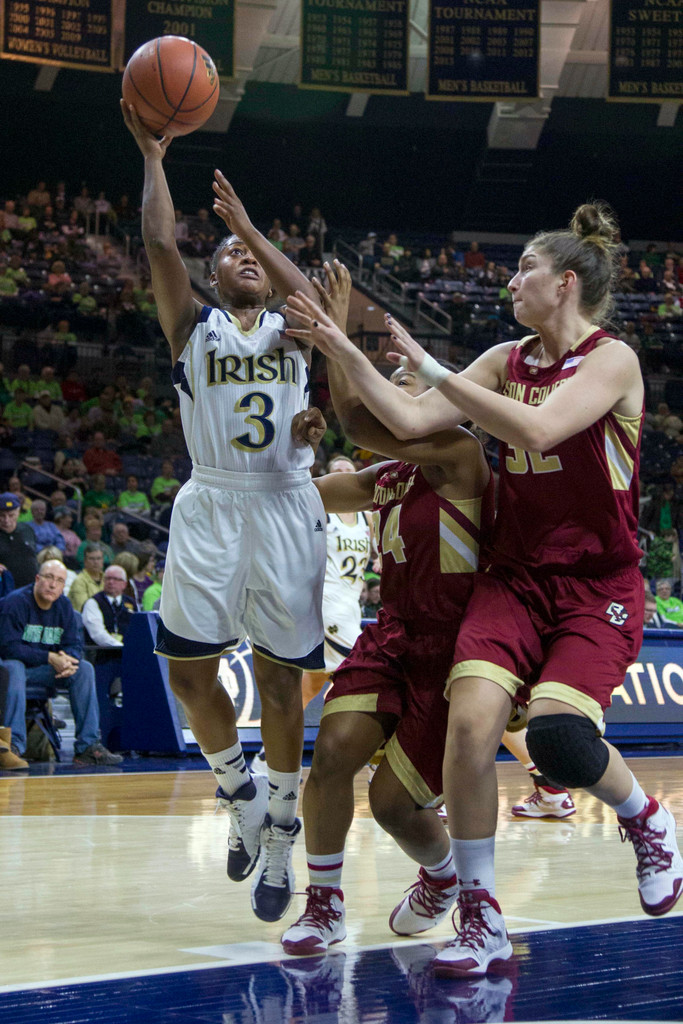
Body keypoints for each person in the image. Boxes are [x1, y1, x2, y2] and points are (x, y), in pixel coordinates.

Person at [287, 203, 683, 975]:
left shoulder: (612, 361)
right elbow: (401, 418)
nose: (511, 281)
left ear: (564, 283)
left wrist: (438, 372)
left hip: (594, 584)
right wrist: (339, 346)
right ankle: (481, 918)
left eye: (523, 268)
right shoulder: (505, 358)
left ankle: (644, 822)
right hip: (513, 578)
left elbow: (537, 432)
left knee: (559, 741)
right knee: (470, 728)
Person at [121, 98, 327, 924]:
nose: (243, 255)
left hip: (282, 507)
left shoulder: (295, 329)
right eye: (232, 251)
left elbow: (310, 290)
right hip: (211, 504)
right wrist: (153, 157)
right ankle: (237, 792)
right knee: (186, 673)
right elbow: (159, 241)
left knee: (281, 684)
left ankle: (280, 829)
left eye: (253, 253)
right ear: (214, 278)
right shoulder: (193, 328)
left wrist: (246, 220)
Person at [279, 268, 493, 955]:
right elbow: (311, 493)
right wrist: (277, 451)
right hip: (393, 634)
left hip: (452, 648)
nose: (389, 398)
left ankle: (442, 875)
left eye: (402, 388)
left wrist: (335, 334)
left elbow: (362, 421)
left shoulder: (457, 455)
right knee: (333, 755)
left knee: (393, 806)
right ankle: (323, 905)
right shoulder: (389, 475)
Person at [251, 452, 373, 775]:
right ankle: (378, 755)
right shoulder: (321, 511)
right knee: (365, 676)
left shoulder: (366, 517)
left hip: (350, 606)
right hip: (326, 604)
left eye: (349, 469)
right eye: (337, 471)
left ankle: (265, 759)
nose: (344, 474)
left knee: (309, 687)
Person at [0, 559, 122, 765]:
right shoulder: (15, 603)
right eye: (48, 578)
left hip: (46, 671)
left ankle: (88, 746)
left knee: (83, 669)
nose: (52, 584)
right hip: (11, 672)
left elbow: (75, 644)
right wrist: (49, 657)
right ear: (37, 579)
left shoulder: (64, 606)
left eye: (59, 581)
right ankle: (14, 745)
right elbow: (8, 648)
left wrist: (68, 660)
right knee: (14, 667)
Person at [81, 565, 136, 648]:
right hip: (102, 653)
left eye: (115, 579)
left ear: (124, 584)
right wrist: (120, 647)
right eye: (108, 578)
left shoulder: (130, 602)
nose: (111, 582)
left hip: (129, 650)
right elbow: (97, 634)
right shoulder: (93, 602)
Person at [0, 492, 38, 589]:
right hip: (5, 591)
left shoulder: (27, 530)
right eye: (2, 515)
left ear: (18, 512)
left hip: (30, 588)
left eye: (11, 515)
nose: (6, 520)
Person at [69, 543, 105, 612]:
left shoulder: (108, 579)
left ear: (102, 560)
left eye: (99, 558)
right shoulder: (79, 581)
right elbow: (85, 608)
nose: (96, 562)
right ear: (85, 561)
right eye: (92, 559)